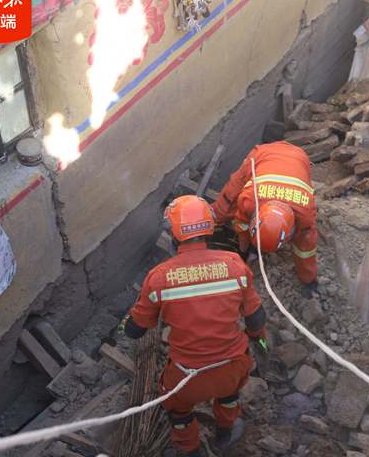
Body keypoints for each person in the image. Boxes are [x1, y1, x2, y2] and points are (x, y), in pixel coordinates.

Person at [121, 195, 267, 457]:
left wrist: (127, 321)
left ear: (173, 233)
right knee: (229, 395)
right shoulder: (235, 265)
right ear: (209, 228)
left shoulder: (159, 278)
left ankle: (190, 450)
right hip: (232, 367)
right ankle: (225, 433)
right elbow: (256, 318)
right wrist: (258, 340)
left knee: (177, 411)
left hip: (186, 377)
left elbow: (135, 330)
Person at [212, 141, 318, 295]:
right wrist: (243, 250)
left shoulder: (306, 214)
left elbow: (305, 251)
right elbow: (241, 222)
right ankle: (214, 217)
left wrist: (308, 279)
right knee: (231, 195)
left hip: (299, 158)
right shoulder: (250, 198)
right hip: (262, 155)